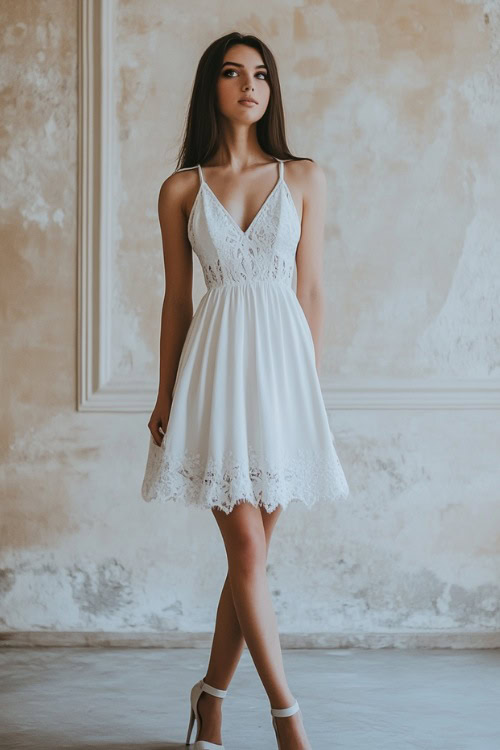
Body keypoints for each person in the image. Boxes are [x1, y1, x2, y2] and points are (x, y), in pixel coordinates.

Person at [141, 31, 350, 750]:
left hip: (284, 384)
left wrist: (308, 393)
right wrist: (166, 395)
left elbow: (312, 288)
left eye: (260, 74)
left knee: (249, 559)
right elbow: (177, 304)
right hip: (215, 380)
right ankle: (290, 720)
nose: (249, 85)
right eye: (232, 73)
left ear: (271, 90)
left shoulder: (304, 177)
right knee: (250, 557)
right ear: (213, 88)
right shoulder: (180, 188)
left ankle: (210, 698)